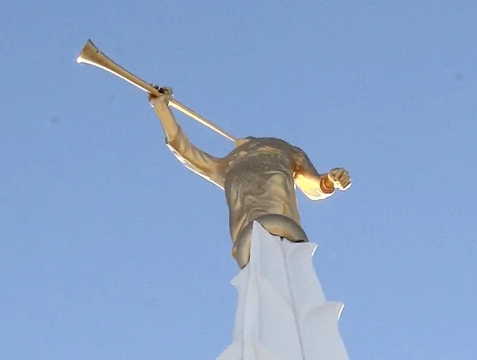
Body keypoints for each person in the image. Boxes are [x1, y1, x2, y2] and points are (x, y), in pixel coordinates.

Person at [148, 87, 350, 265]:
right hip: (248, 238)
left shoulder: (287, 151)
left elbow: (312, 185)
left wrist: (330, 181)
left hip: (285, 230)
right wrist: (163, 109)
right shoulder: (227, 166)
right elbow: (185, 152)